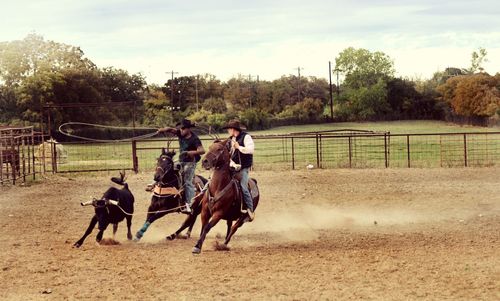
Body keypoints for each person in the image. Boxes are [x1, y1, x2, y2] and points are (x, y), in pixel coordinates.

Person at [154, 119, 205, 213]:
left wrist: (190, 152)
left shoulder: (195, 139)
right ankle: (156, 184)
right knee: (167, 169)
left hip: (190, 163)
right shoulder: (179, 133)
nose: (181, 130)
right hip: (181, 160)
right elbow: (170, 129)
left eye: (183, 128)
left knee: (187, 181)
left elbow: (202, 151)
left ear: (188, 129)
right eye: (180, 128)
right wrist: (162, 130)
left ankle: (189, 204)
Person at [222, 119, 255, 222]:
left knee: (243, 187)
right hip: (232, 167)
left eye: (228, 129)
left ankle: (250, 209)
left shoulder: (246, 137)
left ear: (233, 129)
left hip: (243, 167)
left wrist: (239, 147)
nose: (228, 131)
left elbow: (251, 150)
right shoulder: (230, 139)